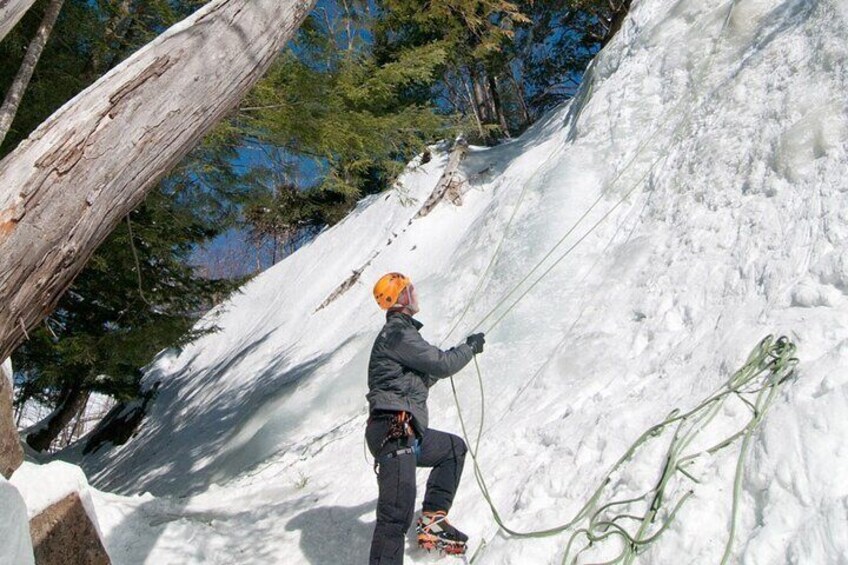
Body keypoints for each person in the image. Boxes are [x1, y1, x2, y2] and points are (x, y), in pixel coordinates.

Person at [366, 272, 485, 564]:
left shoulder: (400, 335)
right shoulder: (397, 333)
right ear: (402, 297)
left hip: (403, 430)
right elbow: (440, 365)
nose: (415, 293)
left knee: (453, 450)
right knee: (394, 518)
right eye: (410, 289)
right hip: (394, 430)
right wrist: (467, 350)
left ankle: (432, 521)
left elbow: (424, 376)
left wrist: (454, 357)